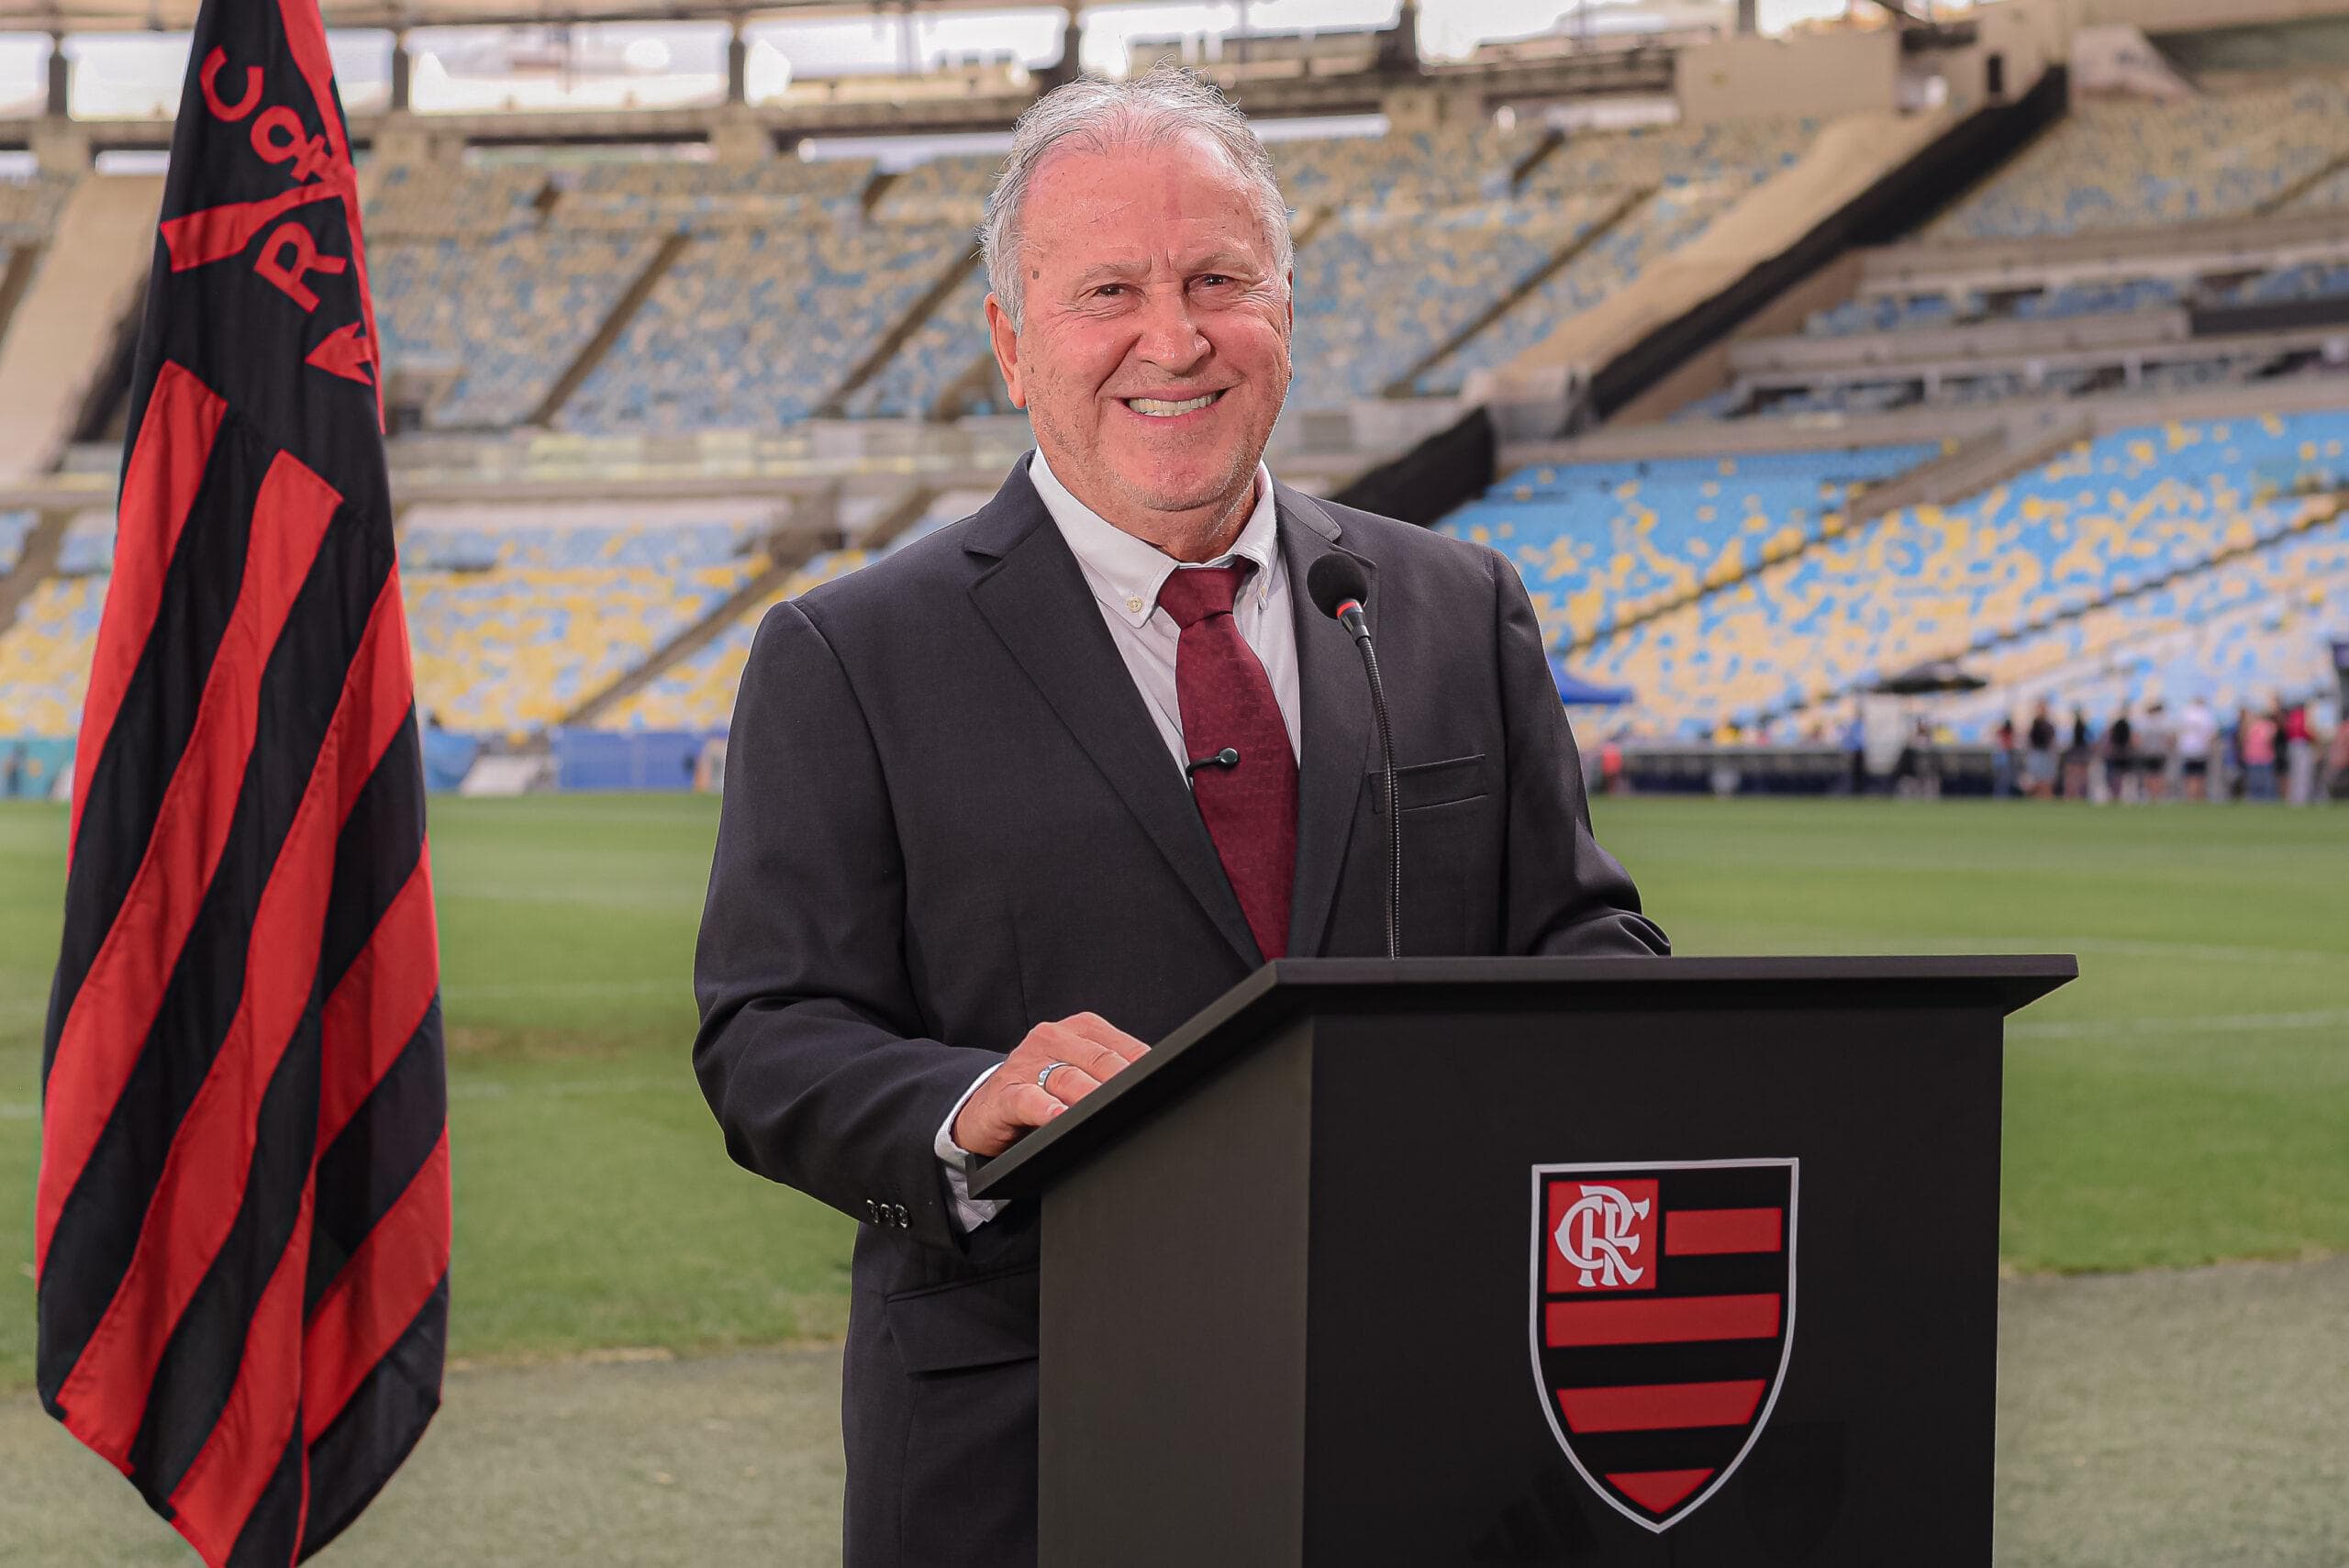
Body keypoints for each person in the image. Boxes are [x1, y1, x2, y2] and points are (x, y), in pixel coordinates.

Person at [689, 69, 1667, 1568]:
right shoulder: (850, 652)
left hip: (1428, 1411)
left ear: (1286, 307)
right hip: (1034, 1440)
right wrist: (966, 1100)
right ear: (1013, 345)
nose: (1175, 336)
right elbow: (767, 1033)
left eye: (1220, 279)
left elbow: (1577, 931)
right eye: (1109, 291)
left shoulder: (1453, 607)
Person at [2176, 696, 2217, 802]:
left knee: (2189, 776)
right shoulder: (2205, 714)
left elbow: (2179, 731)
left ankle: (2191, 797)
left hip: (2187, 749)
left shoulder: (2186, 713)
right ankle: (2199, 797)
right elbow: (2211, 733)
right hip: (2201, 749)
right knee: (2200, 776)